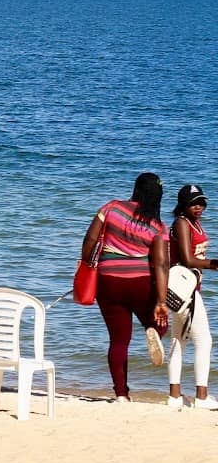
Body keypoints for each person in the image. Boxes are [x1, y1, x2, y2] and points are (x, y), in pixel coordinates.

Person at [81, 172, 171, 402]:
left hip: (108, 280)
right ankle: (153, 331)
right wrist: (161, 302)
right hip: (140, 282)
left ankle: (121, 394)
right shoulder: (157, 226)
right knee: (158, 325)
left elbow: (90, 240)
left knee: (119, 340)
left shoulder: (112, 208)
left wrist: (86, 264)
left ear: (136, 189)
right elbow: (161, 264)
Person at [167, 183, 215, 410]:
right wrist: (213, 264)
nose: (199, 207)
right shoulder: (182, 223)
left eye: (201, 202)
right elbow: (186, 259)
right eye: (194, 203)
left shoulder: (193, 224)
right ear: (183, 205)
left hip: (186, 288)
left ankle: (174, 396)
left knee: (179, 340)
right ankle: (202, 397)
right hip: (184, 289)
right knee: (204, 341)